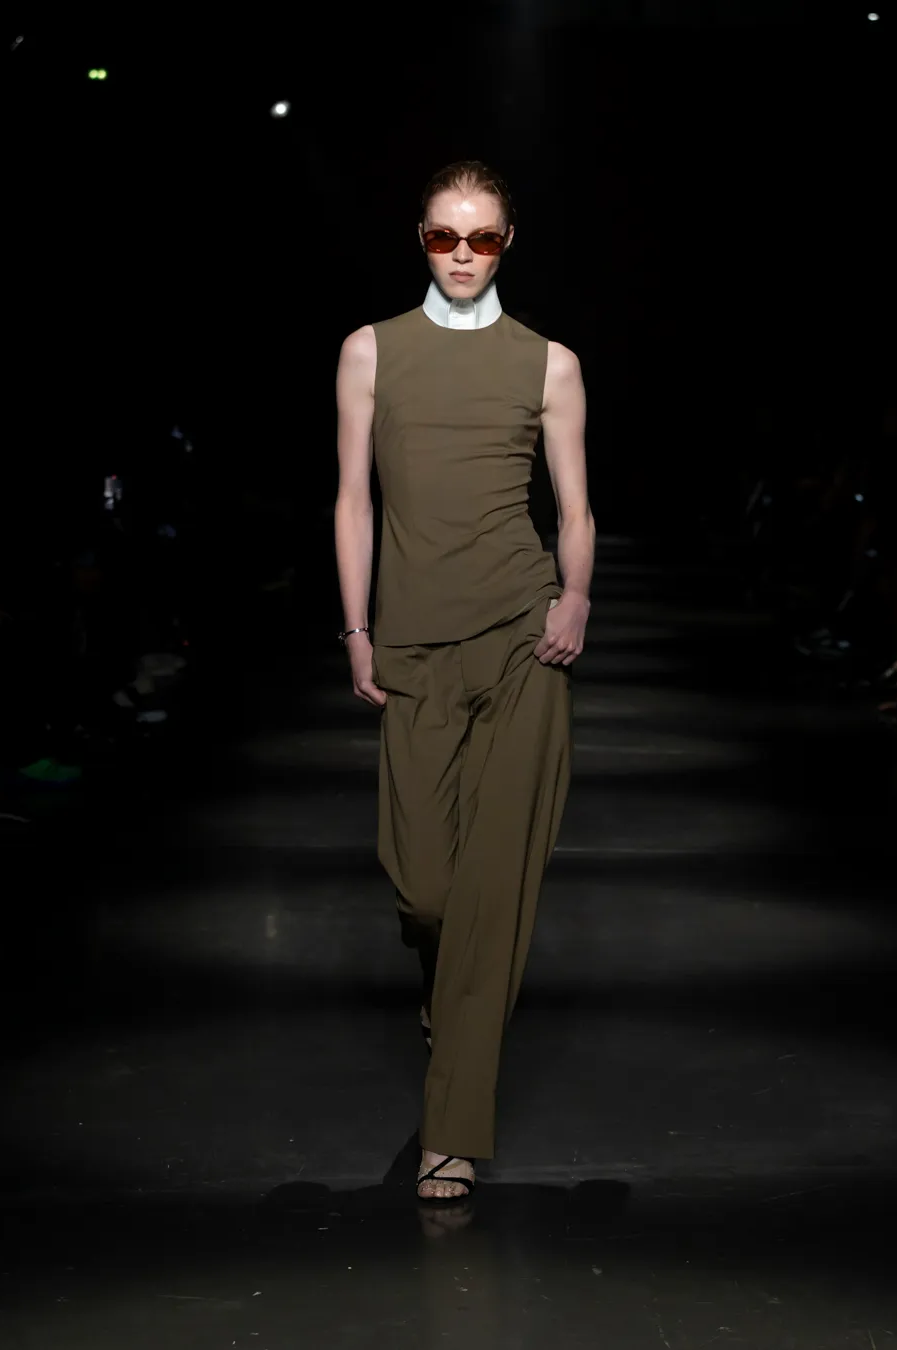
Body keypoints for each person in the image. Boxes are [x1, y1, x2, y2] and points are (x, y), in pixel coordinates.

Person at [334, 161, 595, 1201]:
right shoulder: (371, 350)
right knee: (426, 889)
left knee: (490, 895)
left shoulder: (549, 363)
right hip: (411, 641)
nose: (462, 255)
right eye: (445, 235)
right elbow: (352, 500)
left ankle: (453, 1129)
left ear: (507, 243)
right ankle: (445, 989)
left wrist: (575, 598)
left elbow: (574, 506)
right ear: (421, 237)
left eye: (482, 237)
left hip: (521, 639)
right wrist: (357, 628)